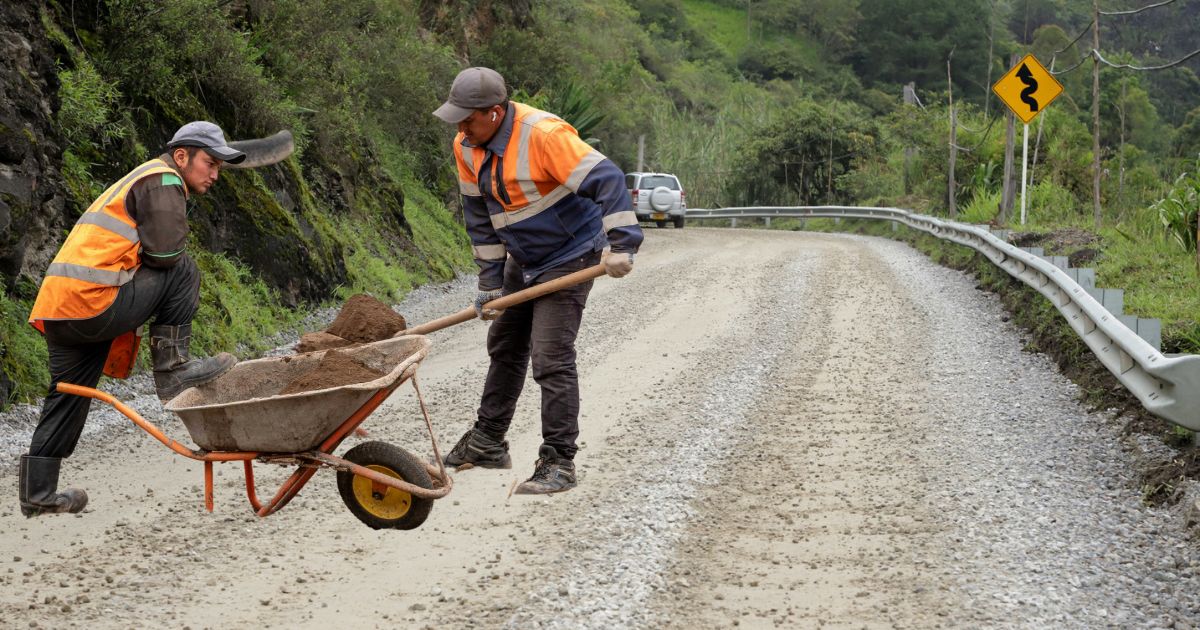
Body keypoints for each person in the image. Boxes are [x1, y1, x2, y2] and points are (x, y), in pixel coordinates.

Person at [432, 67, 644, 494]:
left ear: (494, 113)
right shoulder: (466, 145)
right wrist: (491, 283)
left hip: (570, 255)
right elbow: (479, 217)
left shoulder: (543, 135)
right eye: (456, 118)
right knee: (506, 344)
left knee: (551, 357)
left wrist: (623, 245)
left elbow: (608, 179)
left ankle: (559, 462)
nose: (460, 127)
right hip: (524, 256)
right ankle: (488, 440)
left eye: (468, 118)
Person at [20, 121, 245, 517]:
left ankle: (39, 494)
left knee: (69, 392)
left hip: (61, 306)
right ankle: (173, 369)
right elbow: (165, 257)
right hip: (92, 302)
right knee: (183, 269)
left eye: (220, 168)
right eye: (210, 163)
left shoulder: (140, 178)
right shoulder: (163, 179)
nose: (214, 174)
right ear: (182, 156)